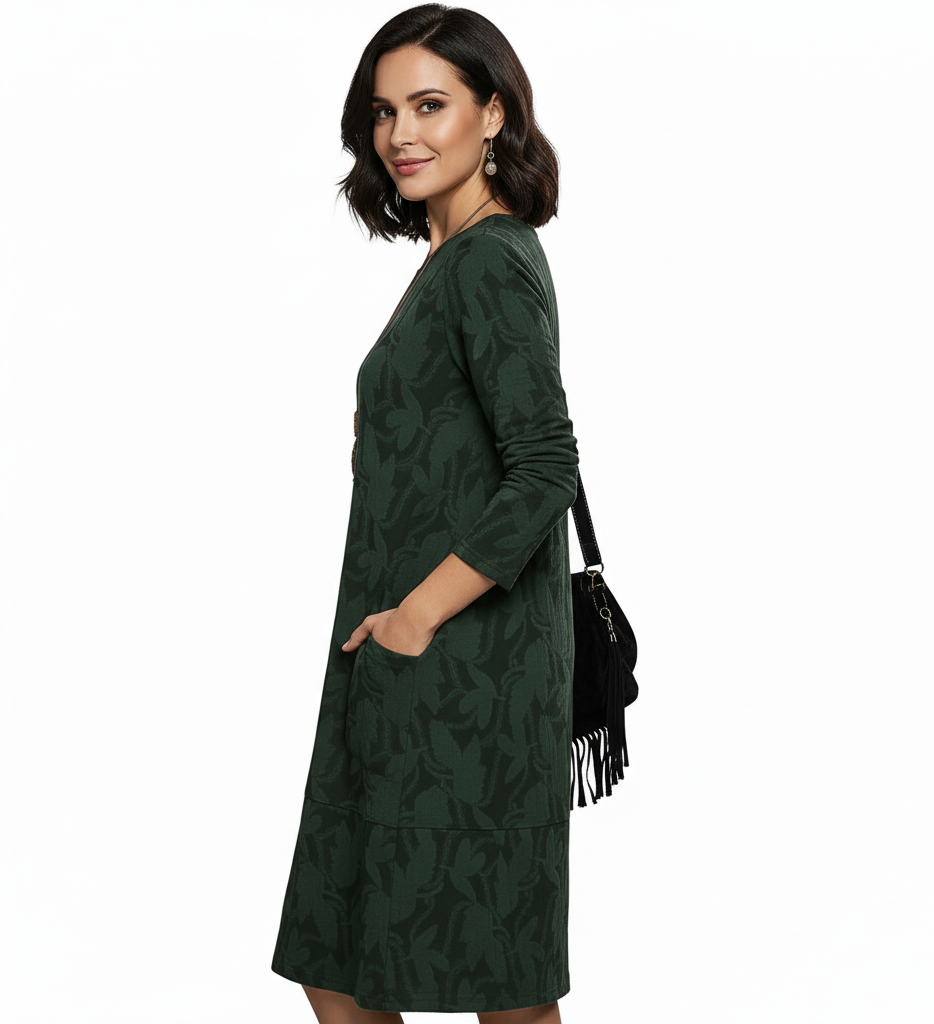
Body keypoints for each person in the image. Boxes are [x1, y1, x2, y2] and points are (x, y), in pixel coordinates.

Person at [271, 6, 579, 1022]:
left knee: (496, 972)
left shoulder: (490, 259)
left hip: (463, 663)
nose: (400, 133)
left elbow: (544, 468)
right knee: (338, 948)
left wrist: (416, 615)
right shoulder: (454, 260)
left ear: (493, 115)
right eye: (383, 111)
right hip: (397, 658)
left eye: (430, 105)